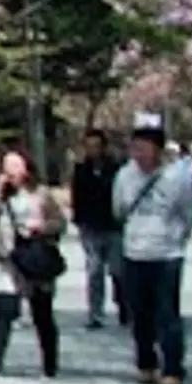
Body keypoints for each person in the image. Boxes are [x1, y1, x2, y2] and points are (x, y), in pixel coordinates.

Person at [113, 121, 192, 384]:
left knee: (167, 313)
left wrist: (178, 237)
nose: (138, 154)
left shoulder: (177, 177)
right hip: (134, 251)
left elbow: (189, 212)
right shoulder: (125, 176)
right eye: (134, 148)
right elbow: (118, 209)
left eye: (143, 148)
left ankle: (173, 368)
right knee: (139, 312)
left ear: (158, 150)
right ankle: (146, 362)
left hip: (166, 253)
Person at [0, 151, 64, 379]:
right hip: (7, 259)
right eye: (7, 168)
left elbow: (59, 223)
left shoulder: (42, 194)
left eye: (16, 167)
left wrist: (42, 227)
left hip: (35, 258)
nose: (11, 173)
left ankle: (50, 364)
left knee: (42, 315)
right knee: (3, 313)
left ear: (26, 169)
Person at [68, 128, 123, 331]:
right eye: (88, 146)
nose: (92, 150)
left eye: (96, 146)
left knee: (118, 270)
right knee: (94, 270)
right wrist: (78, 219)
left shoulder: (116, 169)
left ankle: (124, 304)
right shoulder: (81, 170)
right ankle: (96, 313)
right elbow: (77, 196)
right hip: (90, 226)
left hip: (114, 225)